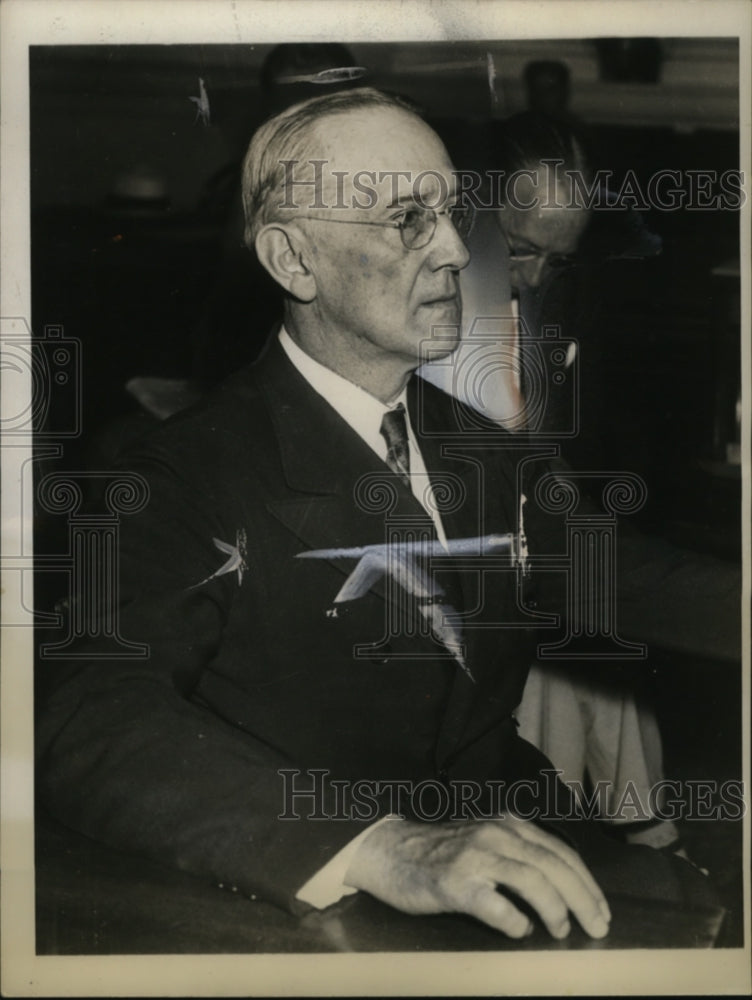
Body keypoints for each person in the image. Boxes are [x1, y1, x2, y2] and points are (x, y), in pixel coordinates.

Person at [37, 88, 714, 946]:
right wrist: (379, 847)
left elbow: (621, 573)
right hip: (314, 904)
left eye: (452, 214)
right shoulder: (175, 474)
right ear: (293, 260)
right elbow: (88, 713)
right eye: (408, 219)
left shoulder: (486, 448)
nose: (461, 250)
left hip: (515, 853)